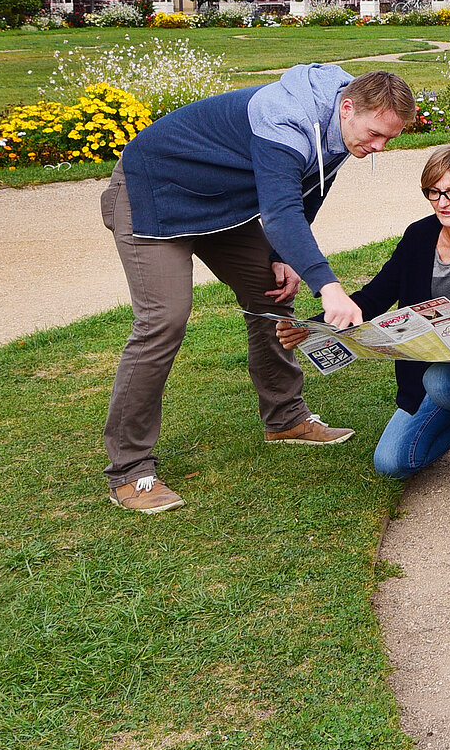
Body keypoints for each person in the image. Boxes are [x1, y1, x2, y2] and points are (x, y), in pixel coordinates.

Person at [99, 65, 416, 514]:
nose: (378, 147)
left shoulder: (348, 125)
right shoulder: (284, 117)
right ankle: (129, 469)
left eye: (390, 139)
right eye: (375, 135)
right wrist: (327, 286)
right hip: (154, 193)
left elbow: (309, 188)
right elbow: (281, 210)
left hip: (220, 205)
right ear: (347, 108)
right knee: (164, 319)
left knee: (272, 289)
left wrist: (284, 257)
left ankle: (285, 418)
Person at [295, 144, 450, 486]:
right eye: (433, 192)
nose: (442, 203)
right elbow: (373, 297)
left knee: (443, 381)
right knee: (391, 462)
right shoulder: (419, 236)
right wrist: (313, 328)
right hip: (428, 374)